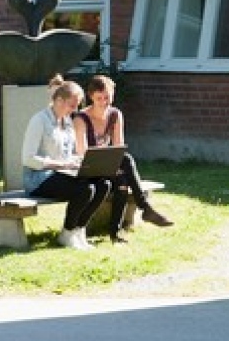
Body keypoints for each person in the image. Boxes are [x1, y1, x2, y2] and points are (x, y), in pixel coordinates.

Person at [74, 74, 173, 243]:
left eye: (108, 97)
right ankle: (145, 208)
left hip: (107, 163)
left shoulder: (115, 114)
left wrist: (113, 165)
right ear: (91, 97)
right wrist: (109, 162)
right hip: (88, 167)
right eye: (99, 98)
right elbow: (82, 152)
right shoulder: (81, 118)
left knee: (122, 181)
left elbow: (118, 146)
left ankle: (115, 234)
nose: (104, 102)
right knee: (125, 161)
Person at [21, 75, 112, 250]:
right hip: (38, 179)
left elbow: (70, 154)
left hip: (63, 174)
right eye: (72, 105)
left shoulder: (68, 122)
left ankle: (79, 230)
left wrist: (81, 162)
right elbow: (28, 159)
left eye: (77, 105)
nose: (75, 109)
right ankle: (67, 233)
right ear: (59, 100)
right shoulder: (39, 120)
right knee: (85, 189)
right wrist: (60, 165)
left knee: (103, 184)